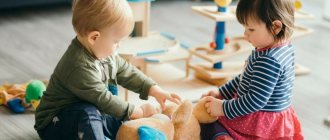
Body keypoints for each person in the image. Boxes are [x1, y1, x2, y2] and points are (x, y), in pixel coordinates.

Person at [34, 0, 181, 139]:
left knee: (119, 122)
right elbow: (105, 100)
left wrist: (153, 89)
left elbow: (126, 71)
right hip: (54, 124)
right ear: (94, 37)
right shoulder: (78, 66)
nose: (119, 46)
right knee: (89, 113)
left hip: (93, 110)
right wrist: (139, 112)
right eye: (116, 41)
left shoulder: (103, 53)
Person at [201, 0, 303, 139]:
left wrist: (223, 108)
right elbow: (245, 78)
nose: (245, 34)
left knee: (208, 125)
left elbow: (254, 100)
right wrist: (221, 92)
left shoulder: (269, 60)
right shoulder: (281, 47)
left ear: (276, 27)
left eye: (251, 29)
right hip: (273, 117)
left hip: (258, 121)